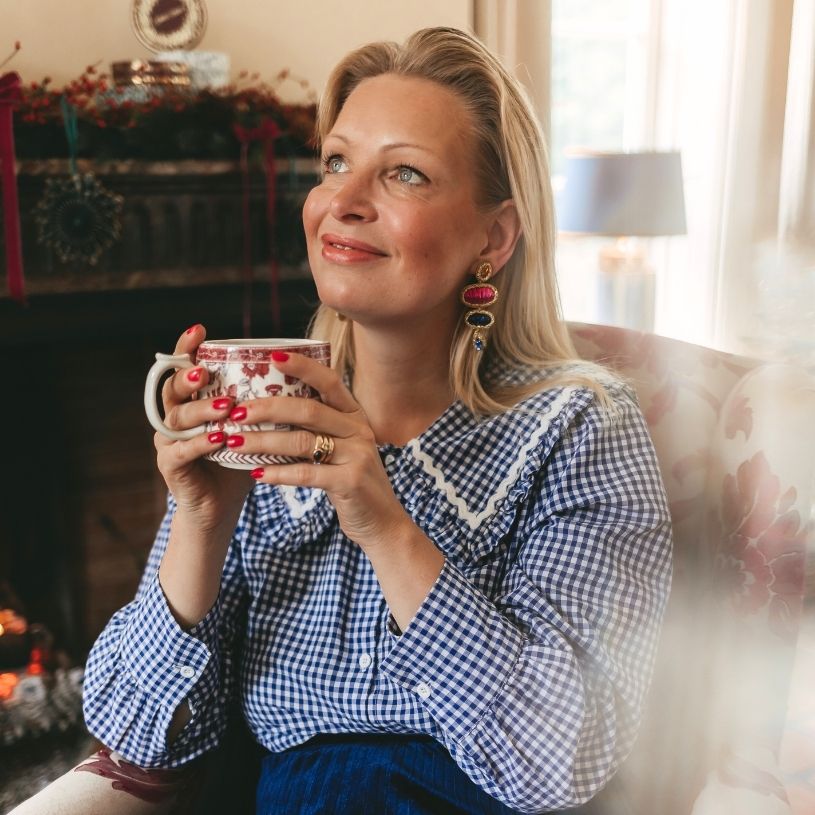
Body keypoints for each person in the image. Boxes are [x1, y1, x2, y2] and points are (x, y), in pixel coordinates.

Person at [82, 26, 672, 815]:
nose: (342, 202)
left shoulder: (577, 428)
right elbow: (140, 738)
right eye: (334, 162)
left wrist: (384, 524)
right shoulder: (259, 424)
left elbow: (558, 757)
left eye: (402, 173)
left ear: (492, 238)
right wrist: (200, 520)